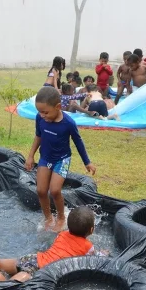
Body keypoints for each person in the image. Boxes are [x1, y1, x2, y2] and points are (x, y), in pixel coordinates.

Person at [0, 206, 103, 282]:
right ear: (91, 229)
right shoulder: (88, 246)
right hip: (41, 271)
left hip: (34, 258)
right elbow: (94, 260)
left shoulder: (62, 234)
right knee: (7, 289)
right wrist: (104, 254)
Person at [25, 86, 96, 230]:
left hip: (61, 159)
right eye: (39, 112)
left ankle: (61, 217)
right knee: (41, 190)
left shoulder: (68, 123)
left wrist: (87, 162)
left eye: (45, 112)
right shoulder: (40, 118)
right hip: (45, 157)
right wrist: (31, 155)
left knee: (55, 190)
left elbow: (78, 142)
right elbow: (38, 136)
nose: (42, 115)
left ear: (58, 107)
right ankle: (48, 217)